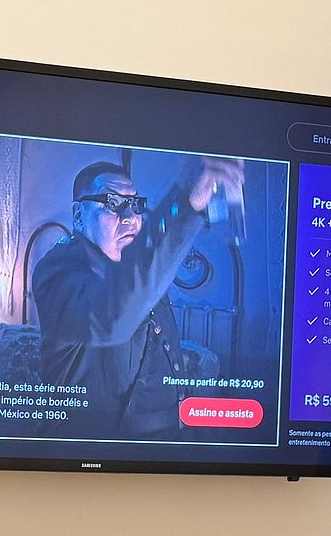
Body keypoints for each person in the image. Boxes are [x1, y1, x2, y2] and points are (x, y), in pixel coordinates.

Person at [33, 155, 245, 438]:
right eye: (111, 203)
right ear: (79, 216)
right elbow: (110, 318)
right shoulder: (58, 269)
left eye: (135, 204)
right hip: (93, 451)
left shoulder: (138, 267)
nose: (131, 218)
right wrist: (183, 200)